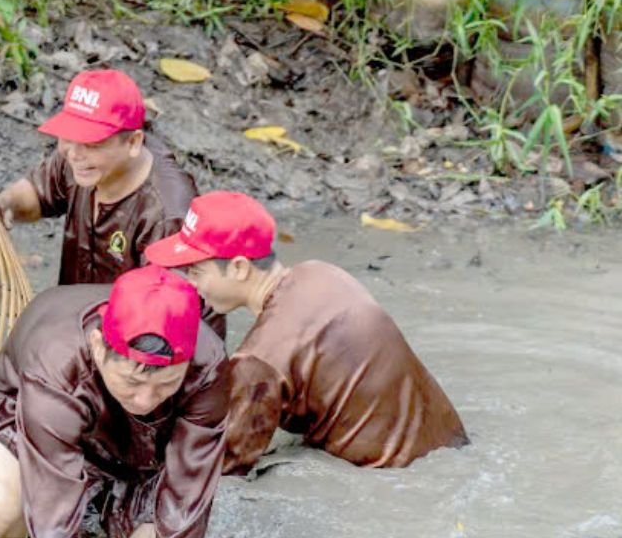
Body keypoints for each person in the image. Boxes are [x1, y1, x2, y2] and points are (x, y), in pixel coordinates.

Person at [0, 264, 229, 538]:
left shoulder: (208, 365)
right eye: (133, 381)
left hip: (139, 445)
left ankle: (105, 504)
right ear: (97, 345)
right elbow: (55, 515)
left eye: (166, 384)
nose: (144, 399)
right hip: (36, 415)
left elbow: (188, 491)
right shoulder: (56, 360)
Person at [145, 191, 469, 472]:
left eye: (197, 271)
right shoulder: (321, 273)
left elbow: (224, 463)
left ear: (240, 268)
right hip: (451, 447)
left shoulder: (261, 359)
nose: (192, 284)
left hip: (391, 481)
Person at [0, 68, 224, 337]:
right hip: (89, 323)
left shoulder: (167, 212)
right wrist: (4, 202)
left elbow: (162, 317)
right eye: (68, 138)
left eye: (91, 143)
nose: (73, 154)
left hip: (152, 345)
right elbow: (39, 192)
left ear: (133, 143)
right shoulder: (81, 161)